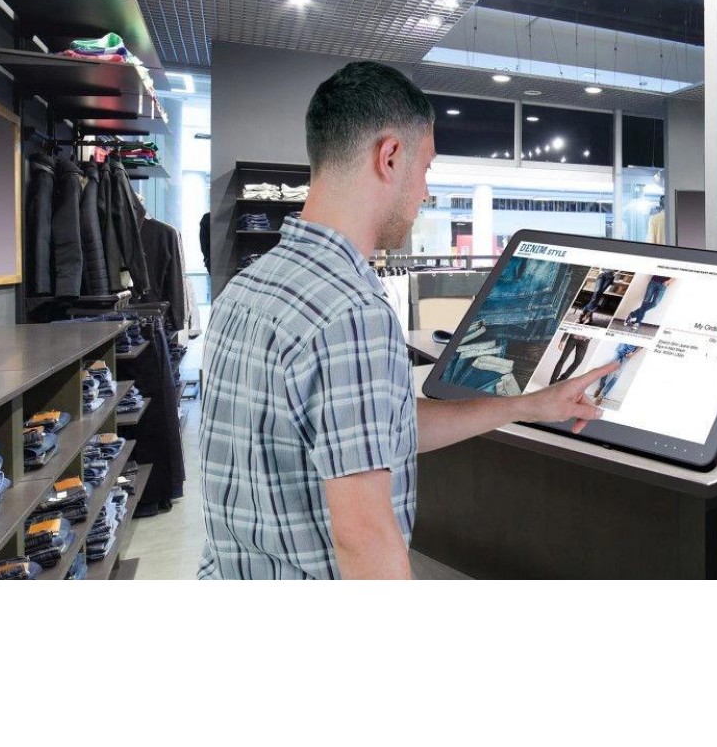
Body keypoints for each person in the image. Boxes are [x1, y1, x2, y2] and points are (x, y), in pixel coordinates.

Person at [197, 61, 617, 580]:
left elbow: (380, 430)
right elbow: (365, 541)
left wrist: (528, 405)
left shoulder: (247, 287)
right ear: (390, 156)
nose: (425, 192)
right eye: (426, 168)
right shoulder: (351, 312)